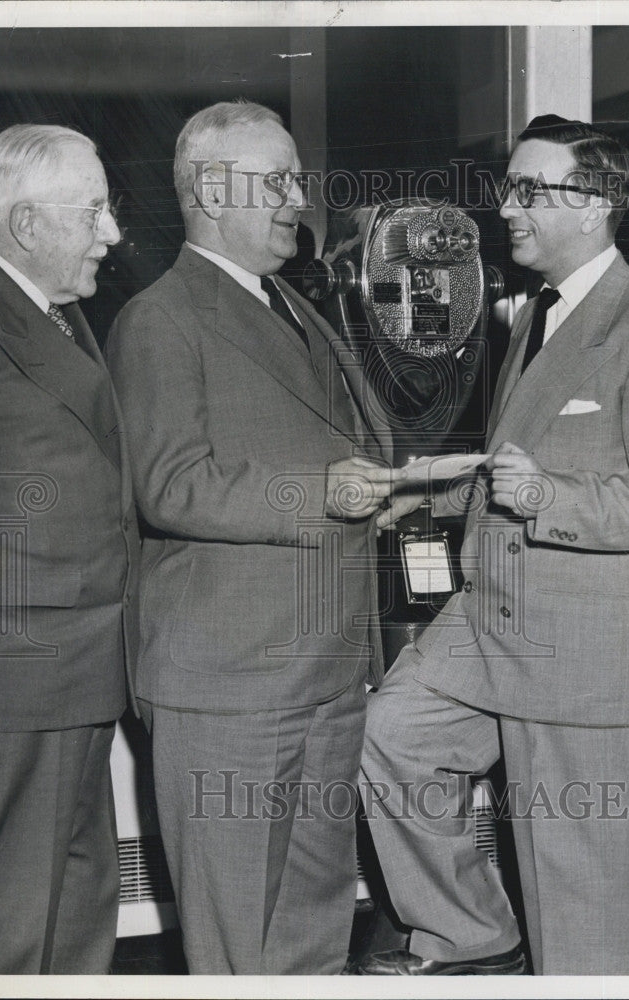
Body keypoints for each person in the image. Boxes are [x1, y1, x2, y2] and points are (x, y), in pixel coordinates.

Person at [356, 115, 629, 976]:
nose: (507, 207)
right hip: (489, 620)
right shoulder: (539, 315)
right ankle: (475, 939)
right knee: (392, 734)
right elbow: (517, 462)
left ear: (594, 205)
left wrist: (549, 497)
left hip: (583, 650)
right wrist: (428, 494)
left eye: (528, 190)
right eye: (510, 186)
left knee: (579, 900)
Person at [105, 100, 398, 975]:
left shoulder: (295, 308)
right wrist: (325, 493)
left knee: (312, 926)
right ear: (207, 192)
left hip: (325, 671)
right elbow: (171, 483)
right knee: (236, 943)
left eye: (296, 178)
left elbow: (351, 446)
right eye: (274, 181)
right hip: (227, 686)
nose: (297, 200)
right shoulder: (160, 319)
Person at [0, 124, 139, 974]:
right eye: (93, 211)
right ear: (25, 225)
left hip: (75, 674)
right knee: (3, 926)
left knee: (74, 908)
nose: (113, 233)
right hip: (8, 683)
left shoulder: (50, 311)